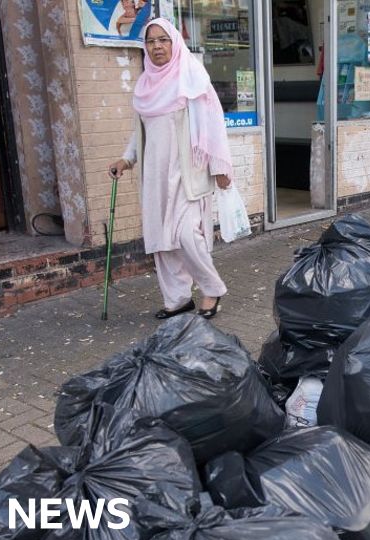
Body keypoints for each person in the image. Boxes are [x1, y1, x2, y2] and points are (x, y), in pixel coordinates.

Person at [109, 18, 233, 320]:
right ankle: (177, 299)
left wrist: (219, 167)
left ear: (174, 42)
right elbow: (140, 133)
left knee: (187, 235)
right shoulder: (145, 86)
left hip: (187, 173)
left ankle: (212, 289)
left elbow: (212, 124)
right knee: (161, 241)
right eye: (151, 41)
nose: (157, 47)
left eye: (163, 40)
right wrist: (126, 159)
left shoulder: (190, 77)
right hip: (154, 176)